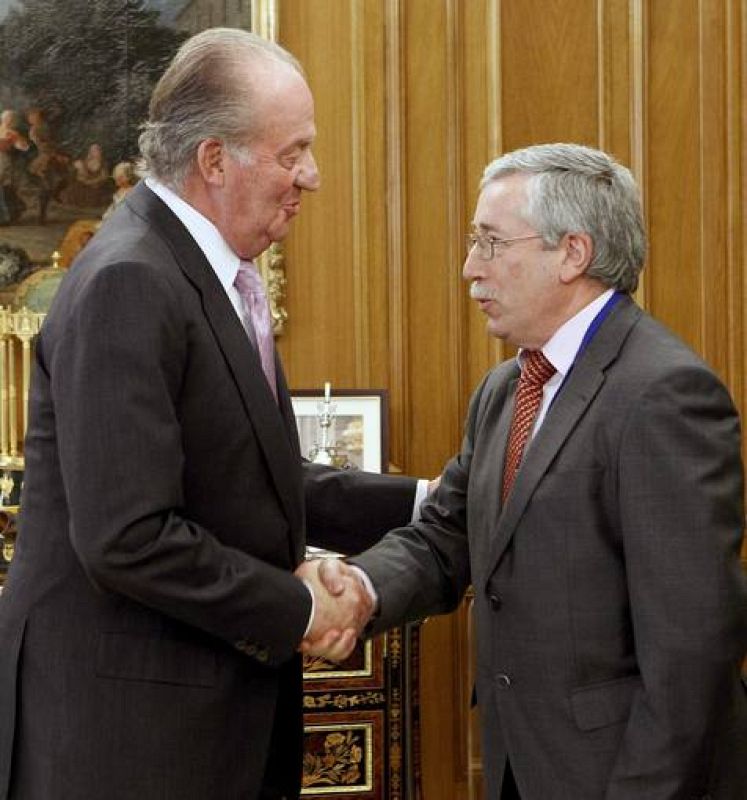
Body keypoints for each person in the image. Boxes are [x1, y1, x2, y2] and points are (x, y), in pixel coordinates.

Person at [0, 28, 425, 800]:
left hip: (192, 723)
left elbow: (249, 476)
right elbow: (127, 538)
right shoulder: (131, 279)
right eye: (292, 152)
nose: (313, 176)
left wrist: (429, 503)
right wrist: (300, 606)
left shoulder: (199, 270)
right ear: (214, 161)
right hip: (130, 744)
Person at [302, 143, 747, 798]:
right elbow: (444, 537)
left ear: (572, 252)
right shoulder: (506, 389)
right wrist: (363, 587)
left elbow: (691, 654)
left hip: (626, 776)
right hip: (523, 763)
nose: (468, 269)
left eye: (489, 243)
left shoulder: (662, 393)